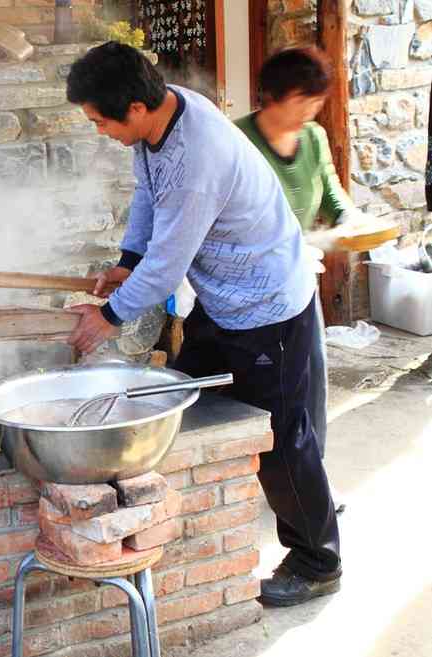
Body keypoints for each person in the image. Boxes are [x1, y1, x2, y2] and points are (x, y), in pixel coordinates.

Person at [64, 42, 341, 607]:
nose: (98, 131)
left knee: (284, 442)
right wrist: (125, 260)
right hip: (224, 300)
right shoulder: (164, 115)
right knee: (177, 396)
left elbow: (168, 265)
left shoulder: (198, 158)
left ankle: (318, 561)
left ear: (134, 109)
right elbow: (147, 195)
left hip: (269, 307)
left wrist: (108, 318)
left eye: (99, 120)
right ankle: (203, 527)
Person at [235, 46, 354, 467]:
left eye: (316, 100)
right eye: (303, 99)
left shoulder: (314, 138)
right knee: (256, 382)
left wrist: (349, 220)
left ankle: (311, 476)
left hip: (299, 277)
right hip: (245, 283)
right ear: (274, 96)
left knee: (311, 379)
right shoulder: (239, 140)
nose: (312, 109)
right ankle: (247, 471)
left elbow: (332, 194)